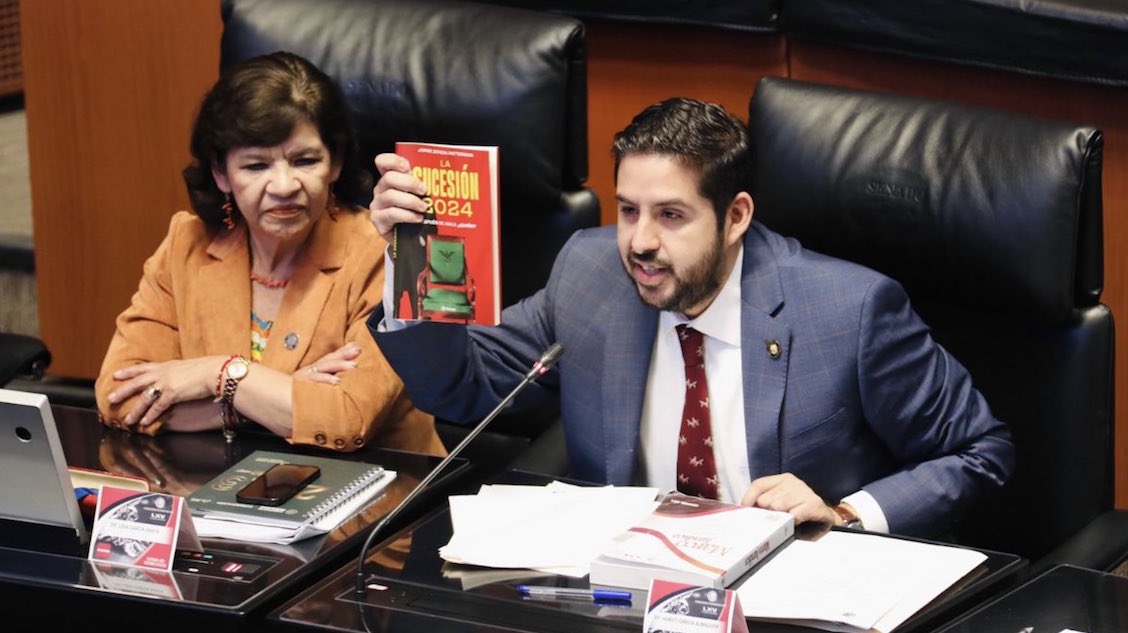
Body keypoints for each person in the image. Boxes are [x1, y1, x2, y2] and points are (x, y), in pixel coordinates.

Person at [364, 97, 1013, 537]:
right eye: (627, 210)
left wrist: (844, 512)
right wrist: (412, 259)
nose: (639, 241)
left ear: (736, 217)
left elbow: (982, 450)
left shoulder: (850, 310)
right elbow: (463, 388)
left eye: (670, 215)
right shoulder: (591, 275)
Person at [95, 51, 444, 457]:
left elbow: (345, 420)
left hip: (385, 493)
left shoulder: (384, 252)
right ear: (221, 174)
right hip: (232, 486)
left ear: (335, 163)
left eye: (305, 160)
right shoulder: (186, 243)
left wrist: (218, 373)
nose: (283, 185)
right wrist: (279, 391)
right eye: (256, 165)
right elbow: (120, 398)